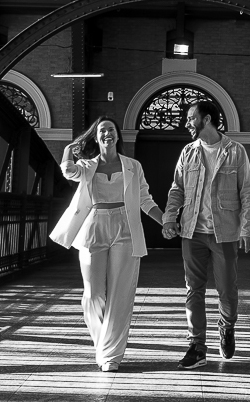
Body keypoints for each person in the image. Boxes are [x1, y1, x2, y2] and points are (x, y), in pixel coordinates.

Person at [49, 117, 164, 372]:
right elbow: (68, 171)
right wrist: (69, 148)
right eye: (102, 131)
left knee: (121, 294)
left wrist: (165, 221)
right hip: (94, 226)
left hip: (125, 228)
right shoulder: (86, 166)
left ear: (117, 135)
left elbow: (145, 200)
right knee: (93, 294)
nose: (107, 134)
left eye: (111, 129)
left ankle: (111, 356)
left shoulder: (133, 166)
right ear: (96, 137)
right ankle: (103, 344)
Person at [161, 100, 250, 369]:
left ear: (207, 120)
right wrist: (169, 217)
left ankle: (226, 325)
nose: (187, 123)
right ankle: (197, 346)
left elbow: (247, 192)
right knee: (194, 289)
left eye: (191, 118)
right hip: (192, 232)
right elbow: (177, 189)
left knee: (227, 291)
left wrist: (248, 227)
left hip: (225, 233)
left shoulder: (235, 151)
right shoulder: (188, 152)